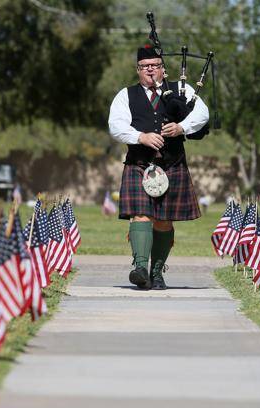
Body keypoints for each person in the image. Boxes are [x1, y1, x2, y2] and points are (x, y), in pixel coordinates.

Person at [108, 44, 209, 290]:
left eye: (155, 66)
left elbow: (203, 113)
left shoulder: (181, 89)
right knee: (141, 215)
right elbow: (115, 125)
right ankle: (140, 267)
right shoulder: (126, 95)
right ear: (138, 70)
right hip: (140, 163)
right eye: (145, 67)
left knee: (164, 220)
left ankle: (157, 272)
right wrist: (140, 136)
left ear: (163, 69)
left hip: (172, 164)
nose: (150, 70)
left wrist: (181, 127)